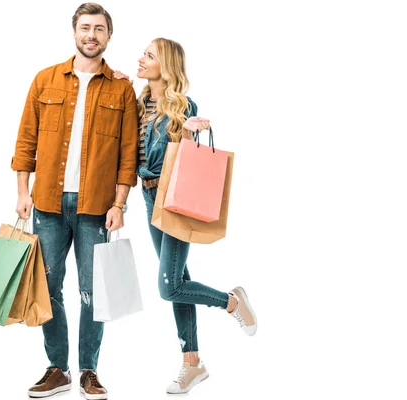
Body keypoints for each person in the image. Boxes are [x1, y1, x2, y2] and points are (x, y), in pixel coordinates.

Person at [10, 3, 138, 399]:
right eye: (85, 28)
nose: (91, 35)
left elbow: (128, 155)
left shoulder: (122, 88)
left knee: (93, 290)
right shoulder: (45, 80)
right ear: (74, 32)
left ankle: (89, 370)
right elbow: (25, 141)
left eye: (99, 29)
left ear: (109, 36)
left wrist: (119, 204)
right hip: (46, 202)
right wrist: (21, 193)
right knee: (48, 288)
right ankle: (57, 367)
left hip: (96, 207)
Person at [131, 37, 258, 394]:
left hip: (172, 197)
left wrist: (186, 132)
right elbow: (134, 157)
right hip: (147, 195)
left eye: (149, 55)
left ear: (165, 65)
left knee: (169, 287)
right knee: (179, 281)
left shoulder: (183, 106)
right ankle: (193, 364)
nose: (141, 59)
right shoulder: (137, 103)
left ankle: (232, 301)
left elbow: (180, 161)